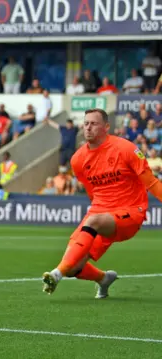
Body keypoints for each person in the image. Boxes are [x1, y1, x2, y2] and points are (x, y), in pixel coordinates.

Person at [42, 108, 162, 298]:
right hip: (100, 214)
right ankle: (104, 279)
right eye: (86, 123)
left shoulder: (126, 149)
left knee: (91, 224)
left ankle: (57, 273)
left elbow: (152, 183)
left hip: (130, 212)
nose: (88, 127)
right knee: (75, 267)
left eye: (94, 123)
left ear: (106, 127)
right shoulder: (78, 160)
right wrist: (99, 210)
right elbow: (92, 191)